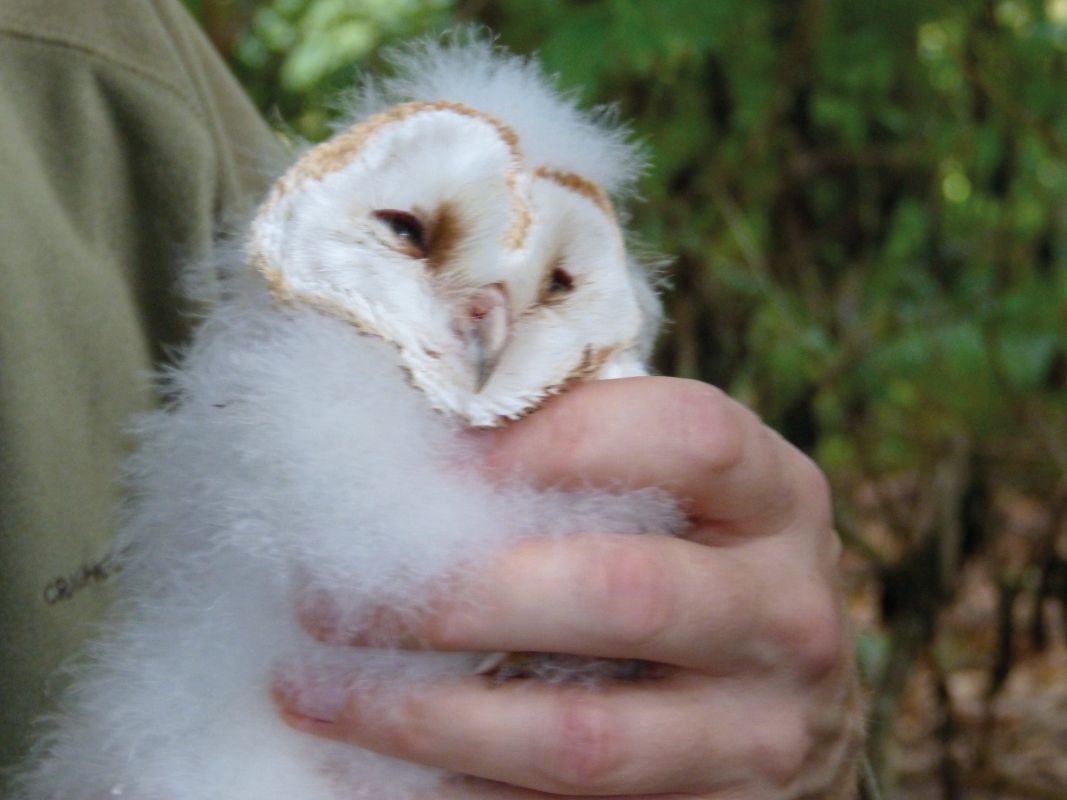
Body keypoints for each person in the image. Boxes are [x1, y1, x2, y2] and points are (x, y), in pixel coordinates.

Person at [0, 0, 864, 796]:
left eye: (556, 281)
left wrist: (766, 745)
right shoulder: (264, 377)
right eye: (411, 235)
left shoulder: (104, 56)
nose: (486, 314)